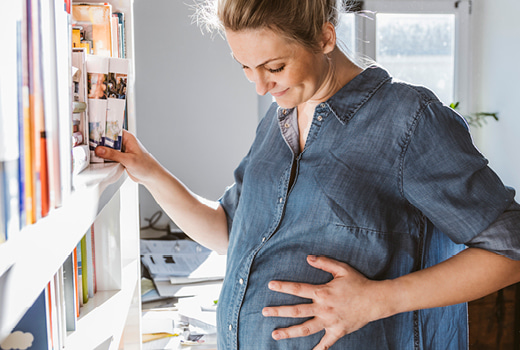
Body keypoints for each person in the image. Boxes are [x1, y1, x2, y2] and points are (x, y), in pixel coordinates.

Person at [95, 0, 520, 348]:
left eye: (274, 67)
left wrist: (375, 300)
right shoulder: (278, 118)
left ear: (324, 36)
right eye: (244, 67)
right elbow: (230, 231)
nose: (260, 87)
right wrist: (149, 172)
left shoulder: (408, 119)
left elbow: (510, 248)